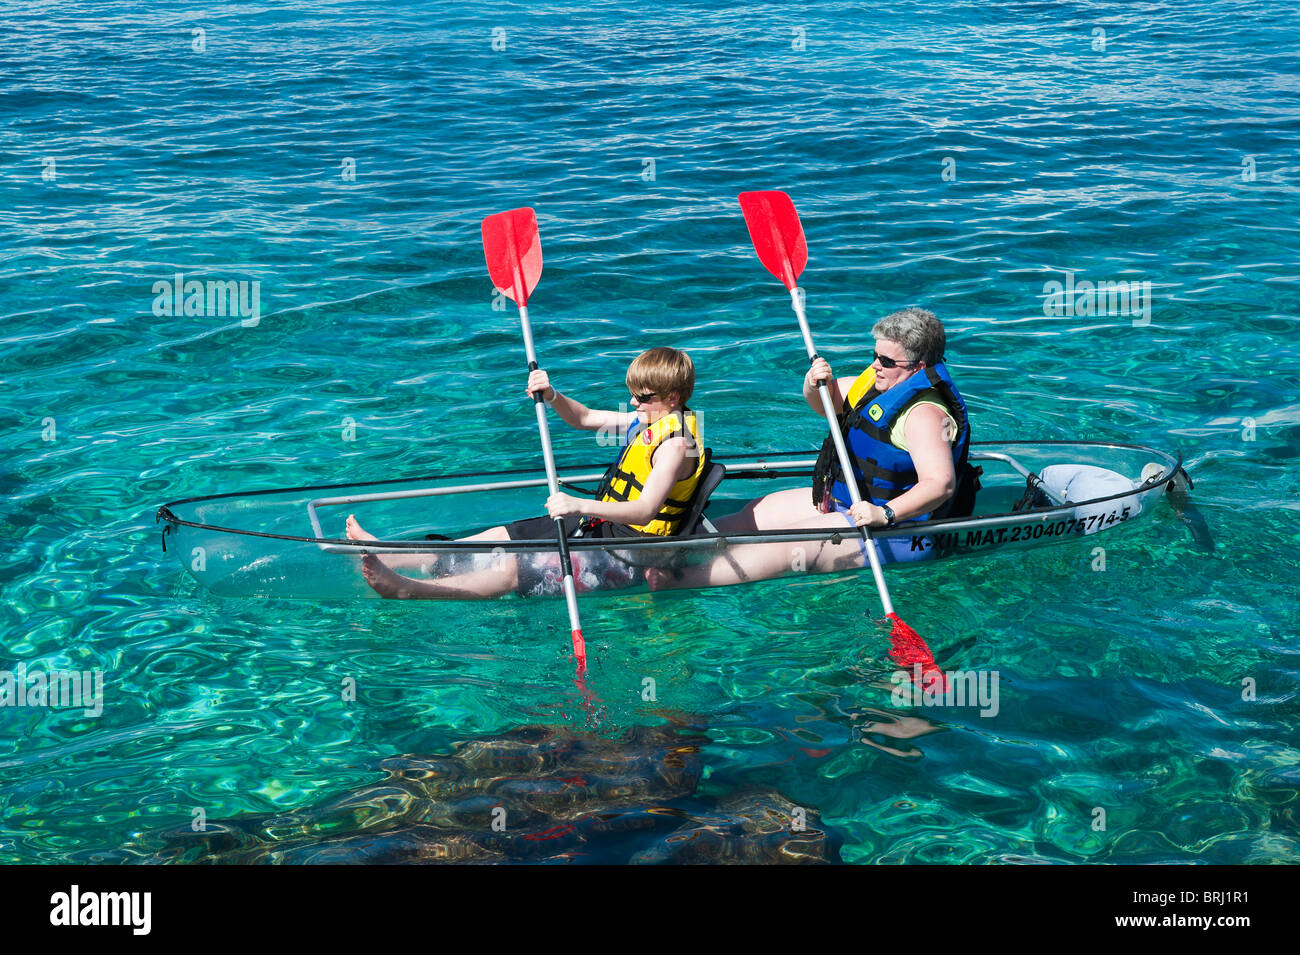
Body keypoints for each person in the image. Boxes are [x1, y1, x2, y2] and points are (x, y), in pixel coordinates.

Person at [647, 308, 976, 588]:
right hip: (846, 502)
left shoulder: (924, 414)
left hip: (896, 531)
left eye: (887, 360)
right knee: (753, 517)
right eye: (875, 355)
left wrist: (883, 513)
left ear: (918, 367)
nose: (876, 365)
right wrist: (814, 384)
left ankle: (678, 580)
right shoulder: (880, 384)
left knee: (783, 547)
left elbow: (940, 484)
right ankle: (662, 552)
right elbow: (828, 404)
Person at [348, 346, 705, 598]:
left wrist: (578, 506)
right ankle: (384, 552)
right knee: (498, 537)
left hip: (632, 550)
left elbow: (644, 510)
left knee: (513, 570)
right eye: (633, 395)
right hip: (599, 527)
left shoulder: (674, 445)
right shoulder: (646, 419)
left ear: (672, 398)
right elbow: (583, 418)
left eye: (642, 397)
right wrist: (551, 394)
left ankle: (408, 589)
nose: (633, 403)